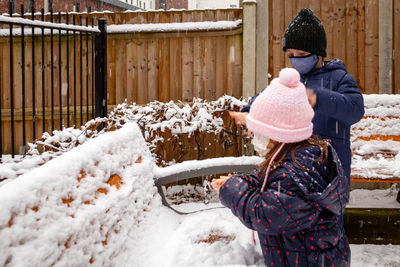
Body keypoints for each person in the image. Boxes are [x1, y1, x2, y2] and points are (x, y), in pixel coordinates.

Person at [212, 68, 351, 267]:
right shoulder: (304, 156)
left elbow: (260, 213)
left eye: (258, 131)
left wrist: (230, 189)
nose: (253, 137)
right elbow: (267, 179)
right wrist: (242, 181)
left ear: (278, 134)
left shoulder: (293, 175)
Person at [229, 8, 364, 181]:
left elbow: (355, 110)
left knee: (324, 208)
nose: (296, 59)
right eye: (291, 55)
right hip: (293, 167)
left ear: (318, 53)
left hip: (330, 168)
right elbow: (267, 97)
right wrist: (250, 111)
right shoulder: (291, 79)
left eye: (302, 54)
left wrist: (318, 97)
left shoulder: (339, 78)